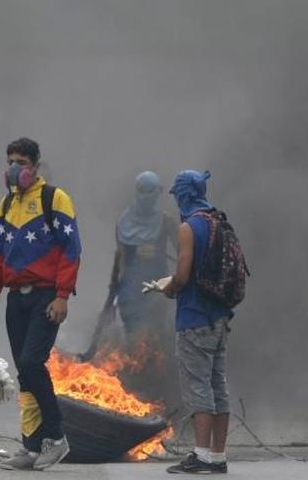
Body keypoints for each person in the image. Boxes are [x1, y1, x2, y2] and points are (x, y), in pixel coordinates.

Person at [0, 137, 81, 471]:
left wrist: (62, 296)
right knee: (24, 372)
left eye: (20, 162)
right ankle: (31, 448)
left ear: (34, 165)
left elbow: (71, 250)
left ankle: (56, 437)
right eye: (10, 161)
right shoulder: (5, 206)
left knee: (32, 362)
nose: (13, 168)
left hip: (45, 296)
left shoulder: (54, 198)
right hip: (14, 299)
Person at [145, 170, 234, 474]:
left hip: (194, 318)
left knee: (199, 389)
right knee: (218, 386)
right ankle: (218, 456)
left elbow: (182, 276)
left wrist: (167, 290)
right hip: (220, 319)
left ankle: (202, 456)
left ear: (183, 193)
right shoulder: (217, 221)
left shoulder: (189, 227)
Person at [111, 171, 177, 340]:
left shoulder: (165, 221)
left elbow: (183, 253)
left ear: (158, 192)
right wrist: (117, 295)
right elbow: (122, 261)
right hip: (131, 291)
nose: (146, 196)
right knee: (134, 337)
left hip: (158, 286)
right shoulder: (123, 222)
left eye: (151, 191)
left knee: (157, 335)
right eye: (143, 190)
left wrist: (177, 282)